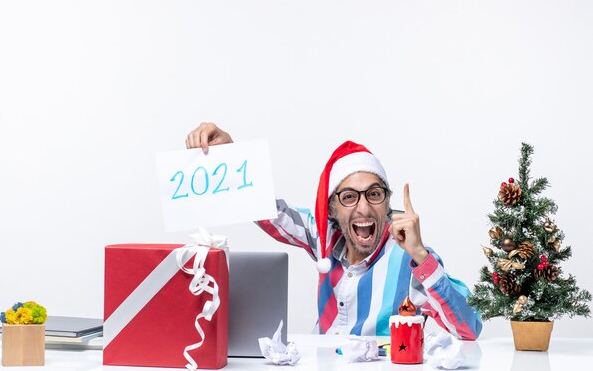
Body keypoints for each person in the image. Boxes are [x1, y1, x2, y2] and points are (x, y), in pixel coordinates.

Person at [186, 122, 482, 340]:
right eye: (349, 197)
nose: (364, 209)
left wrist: (419, 254)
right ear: (332, 210)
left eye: (374, 194)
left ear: (388, 203)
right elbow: (268, 213)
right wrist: (231, 155)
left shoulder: (410, 259)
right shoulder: (323, 235)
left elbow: (469, 328)